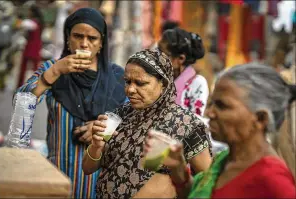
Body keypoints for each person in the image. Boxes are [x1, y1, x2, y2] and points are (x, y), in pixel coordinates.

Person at [16, 8, 127, 198]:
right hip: (57, 176)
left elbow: (131, 119)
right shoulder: (52, 68)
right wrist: (54, 73)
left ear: (101, 43)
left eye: (92, 38)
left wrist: (103, 129)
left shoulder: (117, 77)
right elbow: (21, 104)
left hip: (98, 183)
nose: (84, 43)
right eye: (77, 36)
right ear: (68, 38)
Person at [144, 63, 296, 198]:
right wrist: (179, 170)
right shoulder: (224, 159)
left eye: (222, 106)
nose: (209, 113)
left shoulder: (273, 179)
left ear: (260, 119)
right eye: (211, 104)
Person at [82, 48, 212, 198]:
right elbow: (87, 169)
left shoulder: (187, 124)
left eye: (140, 83)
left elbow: (207, 182)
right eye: (127, 81)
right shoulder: (120, 115)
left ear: (163, 83)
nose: (130, 89)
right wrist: (96, 146)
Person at [158, 28, 209, 117]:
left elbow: (195, 122)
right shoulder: (159, 78)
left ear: (181, 58)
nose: (157, 57)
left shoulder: (197, 83)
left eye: (163, 54)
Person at [17, 4, 44, 87]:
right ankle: (37, 84)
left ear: (32, 12)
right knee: (35, 67)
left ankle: (20, 84)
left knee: (24, 67)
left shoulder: (31, 22)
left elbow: (21, 24)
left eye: (29, 11)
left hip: (30, 46)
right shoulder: (39, 22)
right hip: (37, 46)